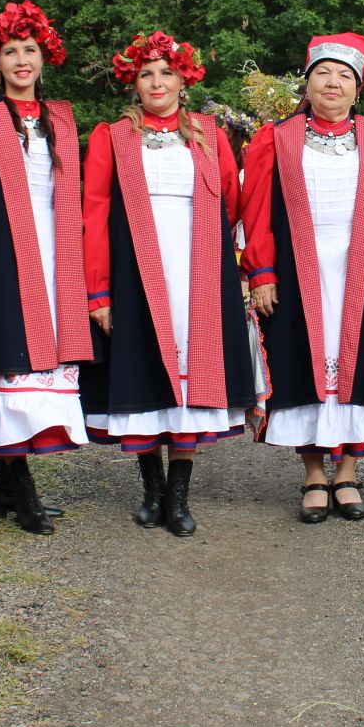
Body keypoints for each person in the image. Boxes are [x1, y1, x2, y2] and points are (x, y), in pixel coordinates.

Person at [81, 31, 258, 535]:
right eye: (146, 74)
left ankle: (179, 495)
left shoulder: (209, 133)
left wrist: (212, 258)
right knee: (145, 375)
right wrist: (99, 290)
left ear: (184, 79)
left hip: (197, 270)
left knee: (192, 378)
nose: (157, 82)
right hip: (135, 272)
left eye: (166, 72)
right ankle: (151, 488)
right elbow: (93, 212)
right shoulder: (110, 136)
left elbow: (229, 202)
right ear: (133, 83)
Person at [242, 33, 364, 522]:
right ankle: (314, 472)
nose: (333, 83)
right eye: (323, 73)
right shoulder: (275, 137)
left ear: (358, 88)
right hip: (296, 270)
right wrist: (263, 272)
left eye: (344, 75)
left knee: (360, 366)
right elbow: (256, 214)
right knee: (300, 361)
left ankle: (349, 472)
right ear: (308, 83)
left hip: (359, 270)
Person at [0, 1, 90, 535]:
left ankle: (4, 487)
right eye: (11, 51)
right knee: (11, 363)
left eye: (30, 50)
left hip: (56, 257)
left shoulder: (62, 118)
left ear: (44, 57)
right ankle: (21, 488)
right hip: (2, 258)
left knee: (42, 365)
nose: (22, 60)